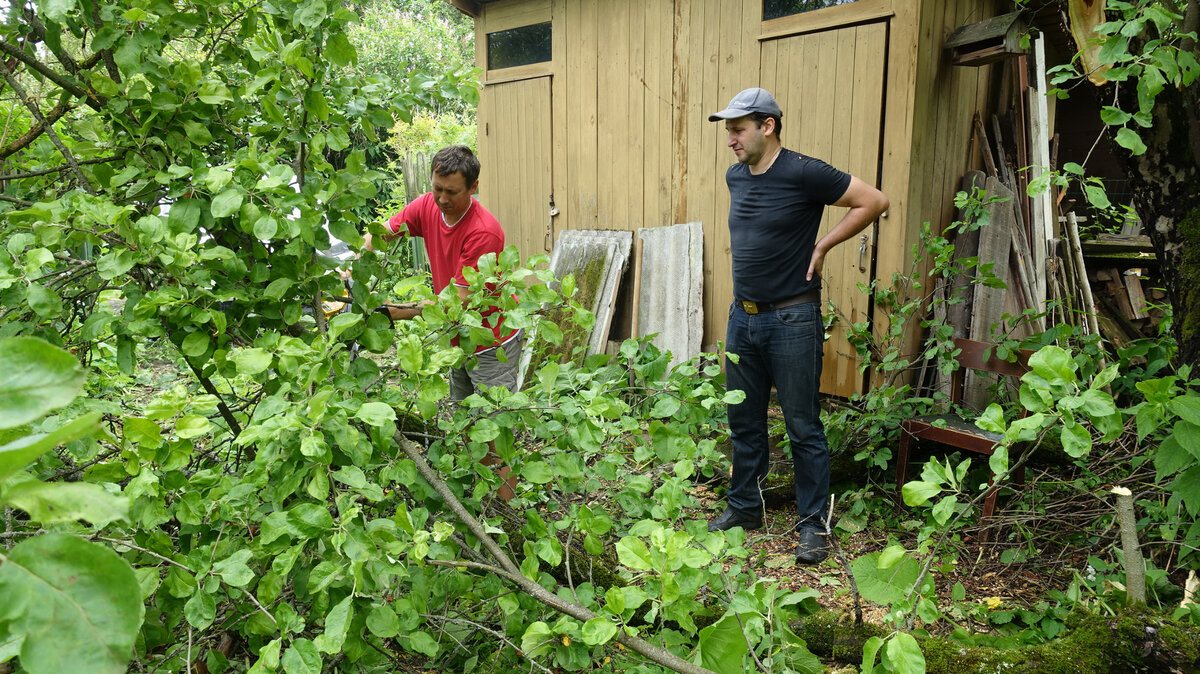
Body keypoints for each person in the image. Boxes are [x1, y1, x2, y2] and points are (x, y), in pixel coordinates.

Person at [706, 88, 889, 564]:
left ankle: (813, 526)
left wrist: (823, 245)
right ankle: (745, 507)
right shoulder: (736, 176)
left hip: (792, 317)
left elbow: (873, 200)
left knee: (802, 426)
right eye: (728, 131)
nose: (731, 140)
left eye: (738, 129)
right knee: (743, 422)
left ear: (768, 126)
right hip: (741, 318)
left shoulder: (804, 171)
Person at [371, 145, 524, 499]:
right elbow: (383, 234)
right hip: (458, 338)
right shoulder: (427, 205)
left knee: (493, 430)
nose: (441, 198)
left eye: (451, 191)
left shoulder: (483, 232)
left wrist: (393, 312)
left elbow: (453, 302)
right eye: (437, 188)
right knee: (466, 421)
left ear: (473, 187)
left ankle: (507, 514)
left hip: (490, 341)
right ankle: (479, 499)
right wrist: (353, 263)